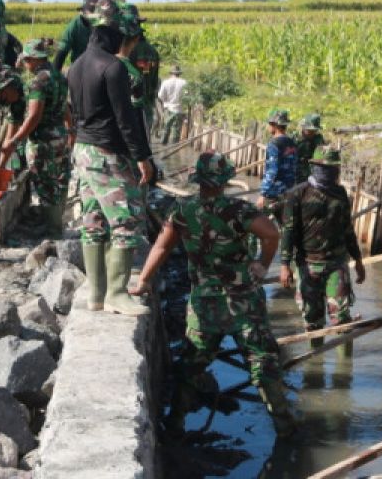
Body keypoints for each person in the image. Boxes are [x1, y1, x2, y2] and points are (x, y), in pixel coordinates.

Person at [131, 151, 296, 438]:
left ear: (199, 180)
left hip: (204, 305)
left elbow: (161, 247)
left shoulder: (182, 211)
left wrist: (144, 280)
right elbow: (271, 234)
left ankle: (175, 422)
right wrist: (261, 264)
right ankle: (285, 427)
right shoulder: (240, 210)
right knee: (262, 363)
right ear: (224, 180)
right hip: (244, 303)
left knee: (192, 364)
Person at [67, 0, 154, 315]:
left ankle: (96, 294)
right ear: (112, 32)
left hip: (84, 151)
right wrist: (143, 157)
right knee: (126, 221)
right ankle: (117, 293)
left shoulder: (76, 66)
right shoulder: (113, 66)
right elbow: (126, 119)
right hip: (107, 153)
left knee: (93, 221)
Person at [279, 146, 364, 345]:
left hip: (337, 264)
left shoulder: (340, 193)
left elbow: (347, 229)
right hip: (308, 264)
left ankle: (344, 373)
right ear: (314, 167)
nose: (329, 173)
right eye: (324, 168)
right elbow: (288, 231)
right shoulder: (297, 194)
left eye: (333, 168)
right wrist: (284, 265)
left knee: (342, 321)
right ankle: (313, 373)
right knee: (312, 322)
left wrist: (358, 260)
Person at [0, 38, 73, 238]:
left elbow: (33, 116)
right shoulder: (59, 76)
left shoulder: (38, 81)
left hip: (43, 141)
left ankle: (51, 229)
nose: (24, 65)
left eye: (25, 61)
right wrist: (70, 128)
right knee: (60, 180)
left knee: (44, 183)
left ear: (33, 59)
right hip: (60, 136)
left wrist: (14, 140)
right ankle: (56, 223)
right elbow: (65, 107)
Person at [259, 109, 297, 218]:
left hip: (274, 193)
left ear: (274, 125)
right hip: (289, 191)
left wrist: (263, 194)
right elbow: (294, 167)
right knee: (285, 223)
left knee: (266, 224)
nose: (268, 127)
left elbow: (272, 171)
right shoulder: (292, 143)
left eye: (269, 124)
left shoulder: (274, 144)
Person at [54, 0, 100, 71]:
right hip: (79, 67)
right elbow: (62, 52)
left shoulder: (107, 25)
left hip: (101, 66)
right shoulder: (75, 25)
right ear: (83, 12)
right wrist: (55, 76)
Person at [156, 65, 188, 145]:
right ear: (179, 73)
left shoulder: (166, 82)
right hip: (180, 109)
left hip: (168, 108)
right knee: (176, 130)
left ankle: (163, 145)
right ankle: (174, 147)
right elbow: (187, 96)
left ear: (171, 73)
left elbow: (160, 96)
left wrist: (166, 102)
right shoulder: (184, 83)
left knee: (166, 127)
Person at [292, 113, 324, 184]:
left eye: (314, 131)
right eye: (310, 130)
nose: (312, 133)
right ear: (304, 128)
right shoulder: (295, 138)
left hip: (312, 173)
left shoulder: (318, 139)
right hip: (296, 173)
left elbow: (321, 156)